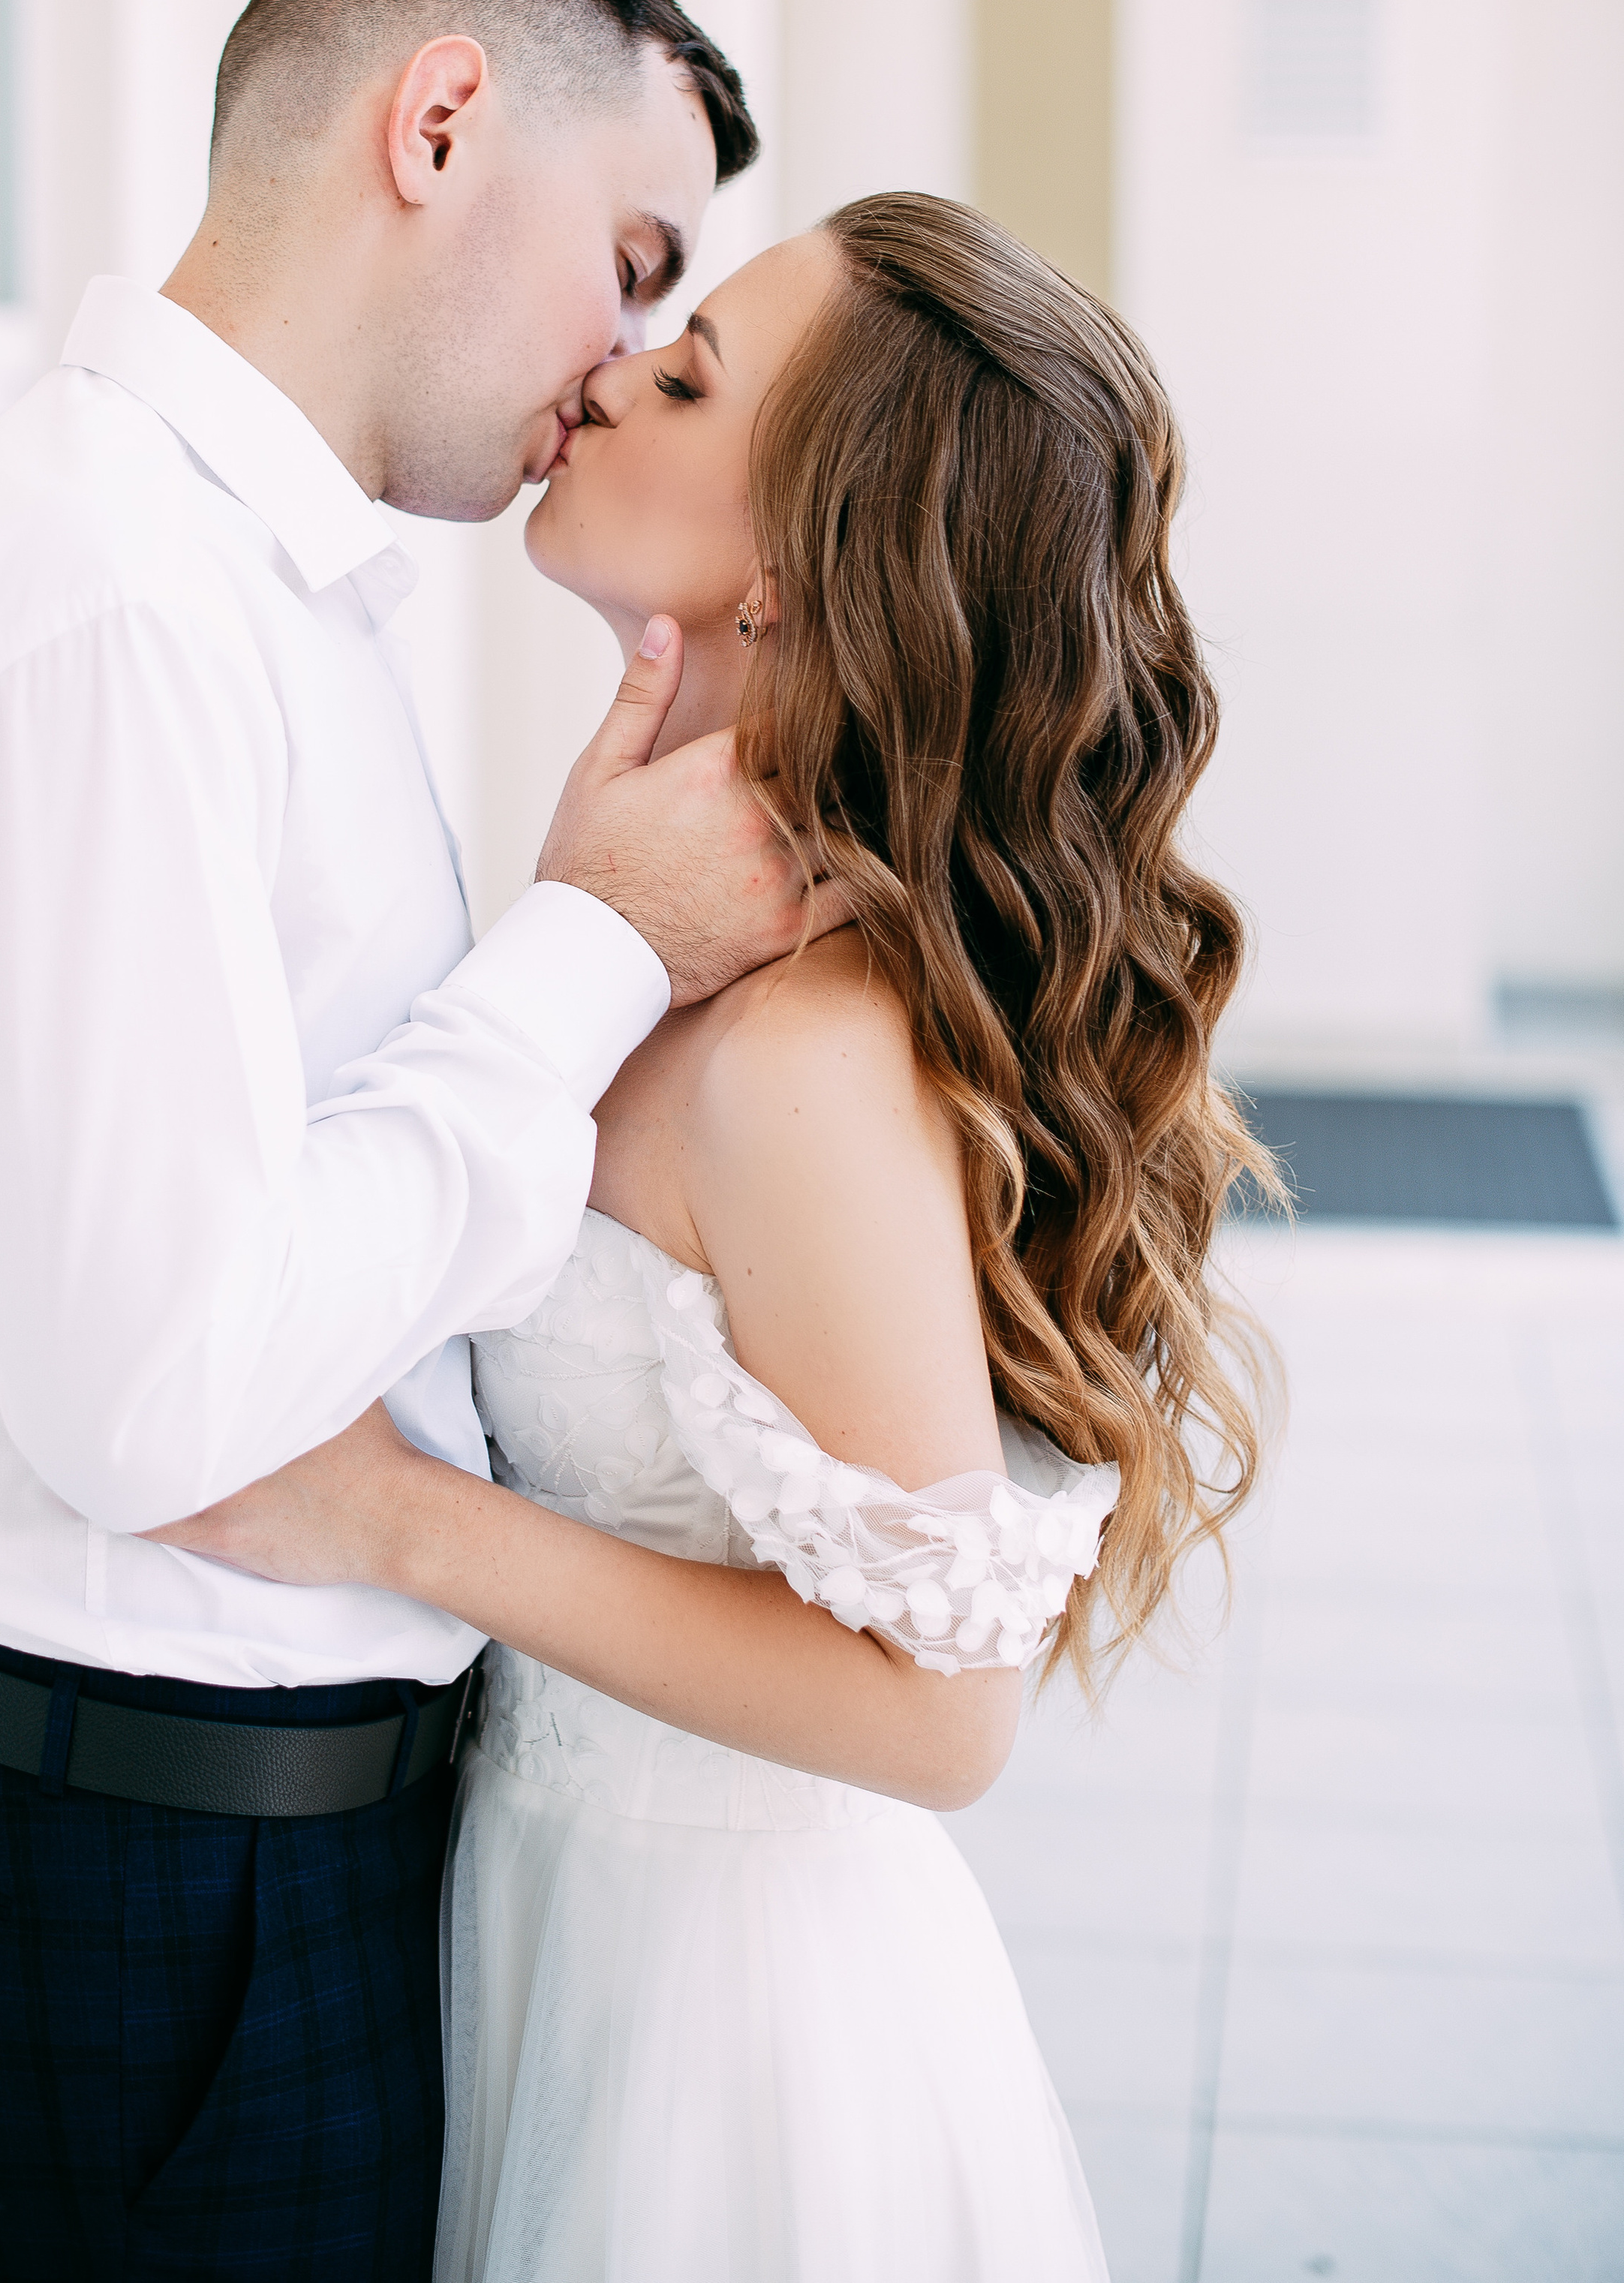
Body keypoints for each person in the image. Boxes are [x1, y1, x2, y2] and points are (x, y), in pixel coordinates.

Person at [0, 0, 844, 2283]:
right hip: (139, 1877)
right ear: (443, 120)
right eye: (640, 259)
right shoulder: (116, 600)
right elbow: (164, 1395)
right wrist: (589, 949)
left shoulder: (252, 581)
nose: (623, 351)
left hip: (233, 1843)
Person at [155, 194, 1280, 2281]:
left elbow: (947, 1716)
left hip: (724, 2002)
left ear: (796, 568)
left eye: (683, 378)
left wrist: (401, 1525)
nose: (600, 371)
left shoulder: (803, 1057)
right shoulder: (657, 942)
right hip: (549, 1907)